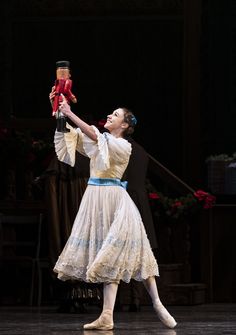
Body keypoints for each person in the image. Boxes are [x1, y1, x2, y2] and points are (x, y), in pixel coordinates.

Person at [50, 91, 177, 330]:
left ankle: (158, 303)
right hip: (96, 201)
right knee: (109, 256)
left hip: (117, 202)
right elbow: (74, 138)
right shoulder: (102, 141)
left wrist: (69, 112)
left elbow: (92, 134)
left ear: (125, 125)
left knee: (138, 251)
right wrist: (58, 108)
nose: (109, 115)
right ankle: (107, 315)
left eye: (115, 115)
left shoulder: (121, 146)